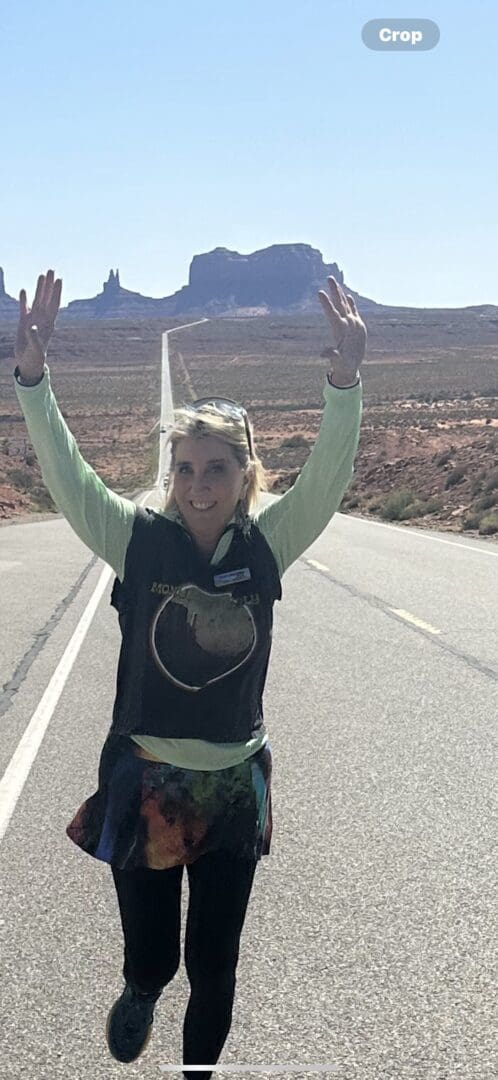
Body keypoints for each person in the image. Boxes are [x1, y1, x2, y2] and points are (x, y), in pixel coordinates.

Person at [13, 268, 366, 1078]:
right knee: (157, 960)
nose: (199, 486)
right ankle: (140, 988)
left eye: (216, 469)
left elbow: (328, 479)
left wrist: (343, 385)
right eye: (186, 469)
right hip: (147, 782)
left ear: (246, 475)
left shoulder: (267, 544)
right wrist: (34, 379)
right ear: (171, 477)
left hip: (234, 785)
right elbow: (69, 477)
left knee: (216, 965)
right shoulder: (136, 539)